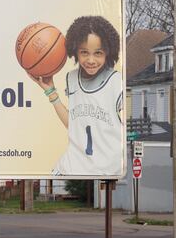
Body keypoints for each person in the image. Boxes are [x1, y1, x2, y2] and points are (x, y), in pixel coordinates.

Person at [29, 16, 123, 175]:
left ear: (108, 52)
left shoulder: (117, 81)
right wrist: (51, 91)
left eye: (98, 53)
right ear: (75, 51)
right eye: (84, 52)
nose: (91, 60)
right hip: (73, 165)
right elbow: (73, 125)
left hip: (105, 169)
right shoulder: (72, 78)